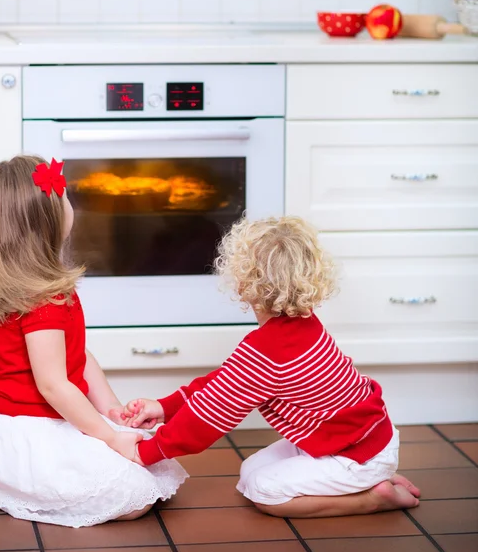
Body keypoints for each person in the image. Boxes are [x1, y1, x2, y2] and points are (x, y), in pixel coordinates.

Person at [124, 216, 420, 519]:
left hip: (353, 453)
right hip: (365, 438)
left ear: (243, 283)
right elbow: (223, 384)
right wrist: (164, 407)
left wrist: (146, 452)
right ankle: (367, 478)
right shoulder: (301, 323)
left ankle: (372, 498)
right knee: (250, 470)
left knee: (263, 491)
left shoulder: (268, 352)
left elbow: (206, 419)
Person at [0, 155, 187, 528]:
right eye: (66, 198)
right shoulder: (42, 301)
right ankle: (24, 486)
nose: (73, 205)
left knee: (148, 463)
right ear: (49, 219)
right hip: (37, 433)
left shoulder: (42, 288)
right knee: (134, 495)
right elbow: (53, 385)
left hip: (52, 420)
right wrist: (109, 437)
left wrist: (111, 409)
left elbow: (78, 355)